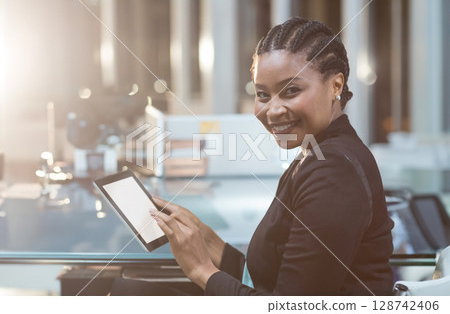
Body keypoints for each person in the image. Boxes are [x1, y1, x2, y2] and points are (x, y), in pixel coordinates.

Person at [114, 16, 394, 296]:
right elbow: (269, 275)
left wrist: (201, 270)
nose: (273, 110)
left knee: (121, 293)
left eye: (291, 91)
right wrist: (207, 240)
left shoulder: (334, 171)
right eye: (262, 94)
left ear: (335, 86)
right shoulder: (315, 152)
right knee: (124, 290)